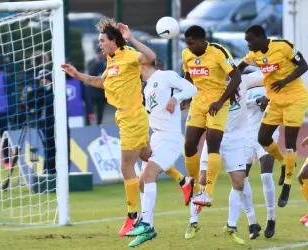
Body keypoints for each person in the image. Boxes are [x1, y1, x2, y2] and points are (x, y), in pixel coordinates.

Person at [61, 18, 155, 236]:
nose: (100, 44)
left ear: (114, 41)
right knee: (147, 156)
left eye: (103, 40)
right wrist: (76, 74)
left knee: (125, 166)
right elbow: (98, 82)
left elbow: (150, 58)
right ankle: (183, 180)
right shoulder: (111, 61)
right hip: (124, 117)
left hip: (133, 116)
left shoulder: (129, 54)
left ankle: (133, 216)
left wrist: (131, 38)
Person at [187, 71, 264, 245]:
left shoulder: (243, 80)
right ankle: (193, 222)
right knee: (203, 178)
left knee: (239, 182)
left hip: (236, 140)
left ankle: (231, 226)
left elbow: (267, 74)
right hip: (215, 136)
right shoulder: (211, 84)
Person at [125, 61, 197, 247]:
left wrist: (176, 99)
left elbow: (192, 88)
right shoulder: (146, 87)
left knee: (149, 175)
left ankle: (146, 224)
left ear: (142, 64)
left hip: (171, 138)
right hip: (156, 137)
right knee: (141, 182)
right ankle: (149, 227)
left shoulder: (166, 75)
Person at [238, 25, 308, 207]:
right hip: (275, 100)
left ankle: (287, 184)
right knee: (263, 137)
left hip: (295, 98)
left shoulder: (283, 46)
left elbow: (304, 65)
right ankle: (284, 163)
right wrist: (228, 80)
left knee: (290, 142)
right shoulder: (254, 55)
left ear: (261, 37)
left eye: (250, 40)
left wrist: (284, 81)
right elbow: (240, 67)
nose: (248, 45)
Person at [181, 25, 241, 207]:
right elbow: (188, 75)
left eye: (192, 43)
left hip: (218, 104)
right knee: (189, 145)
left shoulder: (218, 52)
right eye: (187, 43)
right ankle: (194, 188)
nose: (189, 46)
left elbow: (236, 77)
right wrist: (185, 95)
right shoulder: (186, 54)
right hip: (198, 103)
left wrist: (221, 101)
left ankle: (207, 192)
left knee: (213, 143)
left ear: (201, 40)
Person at [244, 70, 279, 238]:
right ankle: (252, 223)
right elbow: (239, 105)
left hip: (268, 133)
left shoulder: (274, 80)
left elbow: (283, 101)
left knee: (266, 175)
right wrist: (255, 101)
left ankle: (271, 219)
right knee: (241, 178)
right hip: (248, 135)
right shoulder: (246, 82)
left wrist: (270, 101)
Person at [85, 47, 107, 125]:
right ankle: (87, 125)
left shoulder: (106, 62)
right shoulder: (91, 62)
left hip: (101, 92)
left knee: (100, 110)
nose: (101, 55)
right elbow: (90, 73)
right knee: (90, 109)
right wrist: (96, 62)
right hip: (92, 91)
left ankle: (99, 125)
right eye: (100, 53)